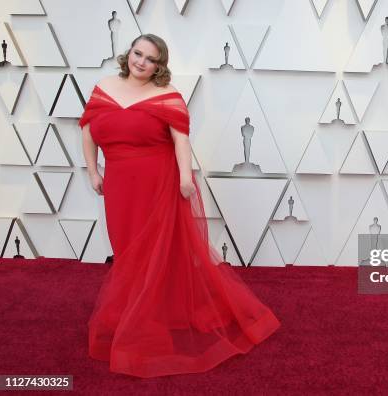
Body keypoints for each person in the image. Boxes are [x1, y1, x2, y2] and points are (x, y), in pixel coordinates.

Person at [78, 33, 280, 378]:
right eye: (137, 54)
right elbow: (88, 130)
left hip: (158, 181)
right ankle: (138, 310)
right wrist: (93, 170)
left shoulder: (167, 96)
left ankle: (148, 320)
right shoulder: (104, 87)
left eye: (150, 59)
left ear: (160, 66)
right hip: (119, 184)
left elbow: (180, 138)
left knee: (157, 252)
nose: (141, 62)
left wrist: (185, 177)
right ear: (129, 54)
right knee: (126, 249)